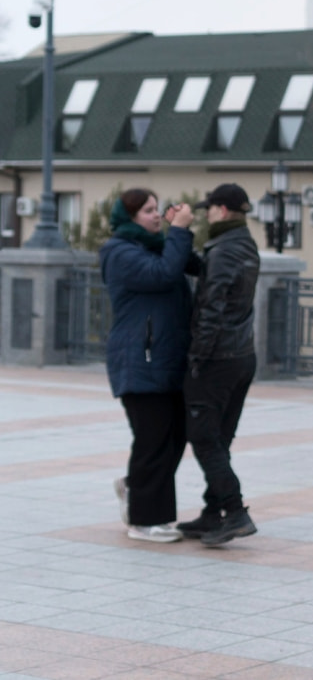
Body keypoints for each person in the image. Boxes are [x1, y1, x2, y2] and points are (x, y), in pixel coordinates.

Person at [100, 189, 197, 543]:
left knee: (174, 437)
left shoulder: (152, 247)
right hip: (140, 360)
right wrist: (180, 232)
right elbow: (163, 275)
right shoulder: (119, 251)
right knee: (153, 440)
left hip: (165, 358)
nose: (156, 216)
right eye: (147, 210)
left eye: (158, 209)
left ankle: (135, 488)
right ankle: (144, 521)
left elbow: (191, 265)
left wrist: (182, 235)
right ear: (128, 217)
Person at [176, 183, 261, 547]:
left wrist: (198, 355)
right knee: (220, 437)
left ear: (222, 211)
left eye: (209, 209)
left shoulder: (226, 249)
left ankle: (235, 510)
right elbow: (210, 274)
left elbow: (213, 306)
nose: (207, 214)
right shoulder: (242, 243)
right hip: (242, 355)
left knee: (203, 436)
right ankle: (213, 514)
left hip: (219, 357)